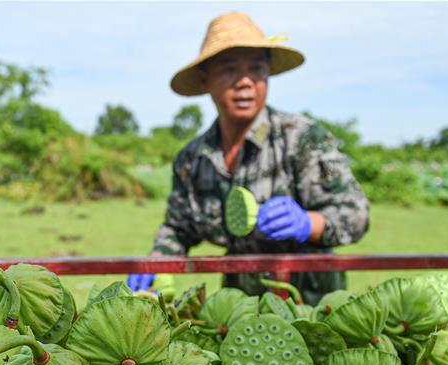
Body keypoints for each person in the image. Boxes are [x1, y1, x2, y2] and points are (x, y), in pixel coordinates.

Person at [127, 11, 370, 305]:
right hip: (237, 309)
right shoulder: (193, 159)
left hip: (311, 306)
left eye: (256, 69)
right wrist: (156, 262)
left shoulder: (300, 138)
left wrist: (307, 222)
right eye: (229, 70)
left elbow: (355, 214)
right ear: (205, 79)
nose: (245, 82)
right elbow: (180, 227)